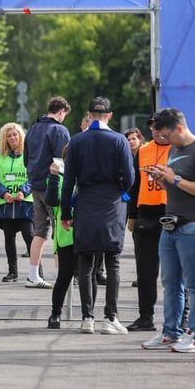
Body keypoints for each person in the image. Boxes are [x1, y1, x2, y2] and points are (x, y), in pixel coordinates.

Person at [60, 96, 134, 335]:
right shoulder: (119, 140)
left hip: (85, 203)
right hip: (112, 204)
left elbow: (68, 179)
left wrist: (65, 211)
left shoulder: (77, 141)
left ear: (89, 115)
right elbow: (130, 176)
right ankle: (110, 317)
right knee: (112, 261)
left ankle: (87, 317)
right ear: (109, 116)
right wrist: (120, 188)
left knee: (86, 263)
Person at [141, 107, 195, 353]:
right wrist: (162, 179)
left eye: (166, 136)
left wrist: (174, 179)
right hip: (170, 224)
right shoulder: (174, 150)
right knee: (170, 282)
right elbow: (174, 182)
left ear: (179, 128)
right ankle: (170, 332)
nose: (164, 141)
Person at [125, 124, 170, 332]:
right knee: (145, 272)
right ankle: (145, 317)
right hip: (146, 214)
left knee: (176, 273)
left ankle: (181, 318)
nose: (156, 132)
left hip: (171, 213)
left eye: (160, 128)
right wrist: (132, 214)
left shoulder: (180, 149)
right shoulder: (143, 151)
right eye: (152, 128)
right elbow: (134, 185)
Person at [24, 96, 71, 288]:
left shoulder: (33, 128)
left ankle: (33, 275)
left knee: (40, 230)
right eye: (65, 115)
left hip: (35, 183)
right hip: (53, 184)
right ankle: (62, 276)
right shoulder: (59, 130)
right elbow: (64, 158)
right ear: (61, 111)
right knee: (59, 230)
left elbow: (26, 158)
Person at [0, 122, 34, 283]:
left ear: (21, 136)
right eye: (9, 135)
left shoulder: (29, 155)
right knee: (9, 238)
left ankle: (36, 272)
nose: (13, 137)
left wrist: (24, 190)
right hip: (6, 204)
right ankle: (12, 271)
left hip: (25, 204)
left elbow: (33, 175)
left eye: (15, 134)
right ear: (5, 139)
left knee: (29, 235)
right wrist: (4, 192)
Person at [46, 147, 73, 329]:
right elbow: (52, 201)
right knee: (64, 277)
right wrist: (54, 177)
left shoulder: (88, 176)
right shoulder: (59, 177)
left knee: (89, 277)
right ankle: (55, 313)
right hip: (65, 234)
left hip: (87, 232)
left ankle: (89, 315)